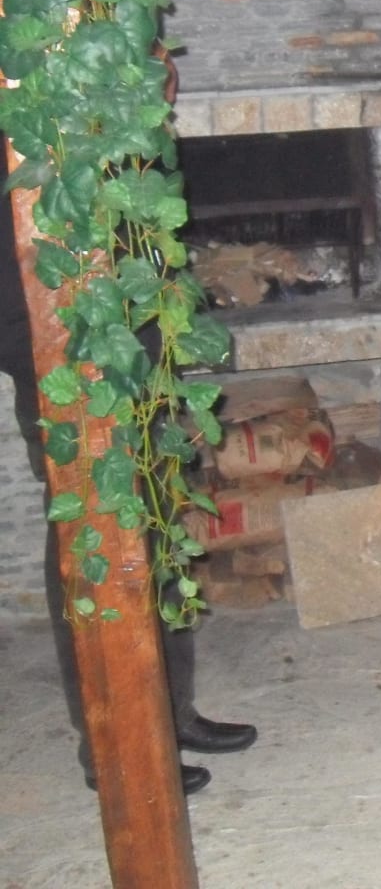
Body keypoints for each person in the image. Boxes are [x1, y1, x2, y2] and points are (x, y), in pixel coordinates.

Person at [0, 183, 257, 795]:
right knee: (89, 554)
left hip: (138, 359)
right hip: (65, 370)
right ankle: (112, 744)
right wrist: (50, 359)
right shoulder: (21, 156)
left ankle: (170, 713)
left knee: (160, 535)